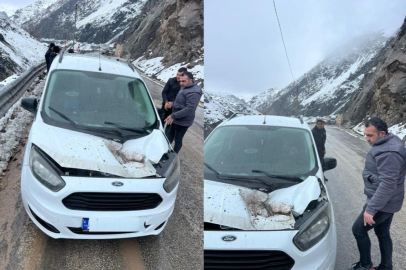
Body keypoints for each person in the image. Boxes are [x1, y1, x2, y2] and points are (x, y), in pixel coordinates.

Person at [348, 117, 406, 270]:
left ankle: (365, 266)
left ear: (382, 134)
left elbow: (388, 184)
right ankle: (386, 267)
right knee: (382, 232)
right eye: (365, 134)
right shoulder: (388, 142)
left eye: (370, 136)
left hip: (382, 203)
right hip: (387, 201)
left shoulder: (388, 153)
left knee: (358, 230)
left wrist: (371, 209)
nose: (366, 139)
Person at [164, 72, 202, 153]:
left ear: (190, 80)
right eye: (180, 81)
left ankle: (174, 155)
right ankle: (164, 151)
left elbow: (189, 109)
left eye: (183, 81)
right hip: (176, 118)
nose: (181, 83)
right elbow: (181, 101)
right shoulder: (185, 87)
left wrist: (173, 116)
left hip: (183, 122)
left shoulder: (194, 93)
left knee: (178, 139)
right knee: (169, 136)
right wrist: (173, 103)